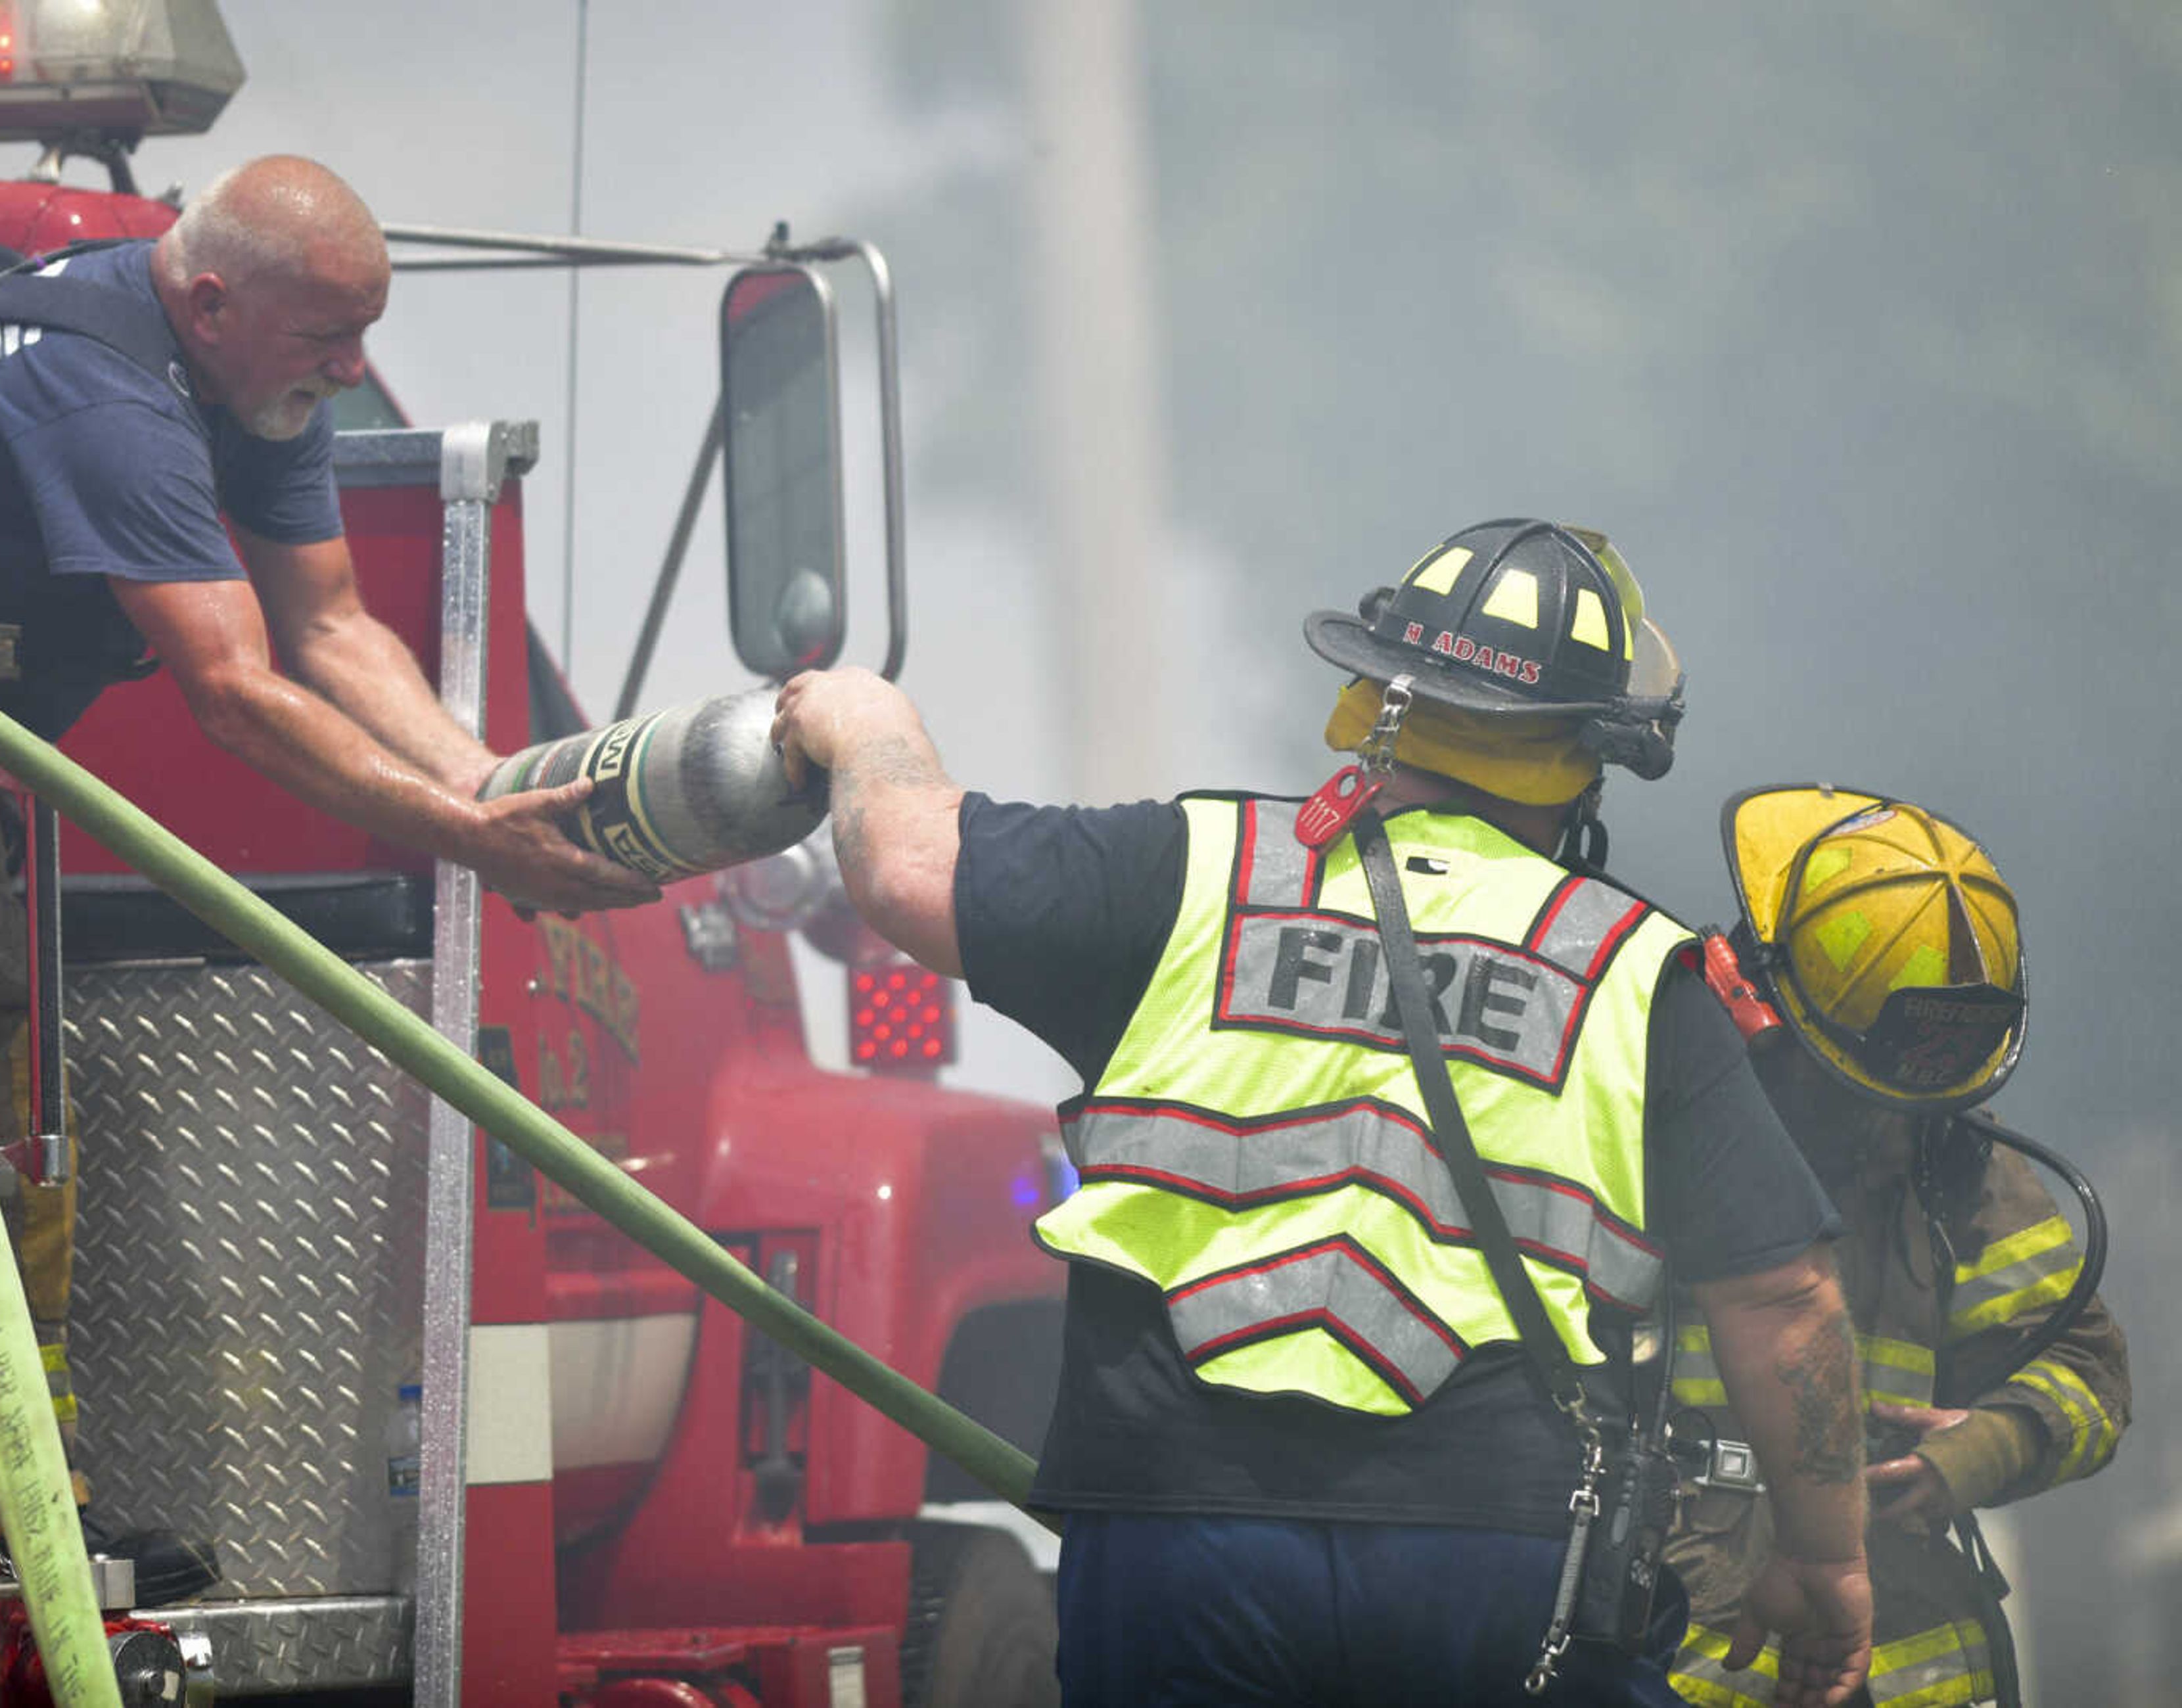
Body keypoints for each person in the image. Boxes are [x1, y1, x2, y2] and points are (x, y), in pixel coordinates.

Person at [773, 517, 1876, 1708]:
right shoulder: (1638, 973)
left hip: (1179, 1539)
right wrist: (1826, 1559)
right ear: (1584, 760)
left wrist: (864, 718)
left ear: (1374, 700)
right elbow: (1785, 1297)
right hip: (1491, 1551)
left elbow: (902, 864)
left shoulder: (1191, 871)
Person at [0, 152, 655, 916]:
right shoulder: (108, 400)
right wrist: (473, 836)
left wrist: (488, 784)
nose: (353, 370)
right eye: (329, 336)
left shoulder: (258, 368)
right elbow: (234, 692)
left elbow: (329, 624)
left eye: (362, 333)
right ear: (210, 308)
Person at [1665, 789, 2129, 1708]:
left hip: (1907, 1654)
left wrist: (1982, 1448)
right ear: (1755, 993)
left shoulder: (1954, 1156)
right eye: (1852, 1084)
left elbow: (2092, 1373)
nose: (1879, 1116)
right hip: (1674, 1632)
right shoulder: (1655, 1123)